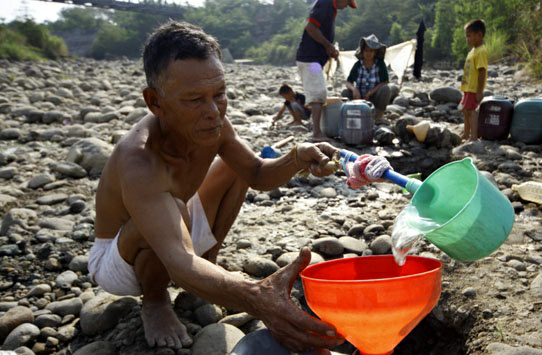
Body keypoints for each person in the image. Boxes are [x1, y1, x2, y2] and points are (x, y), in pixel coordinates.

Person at [88, 21, 344, 353]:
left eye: (219, 94)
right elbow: (178, 259)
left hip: (175, 232)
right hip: (120, 259)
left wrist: (296, 157)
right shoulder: (139, 160)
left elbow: (255, 172)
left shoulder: (214, 124)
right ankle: (154, 301)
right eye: (194, 99)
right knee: (175, 212)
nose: (213, 112)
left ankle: (209, 265)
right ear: (155, 102)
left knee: (231, 169)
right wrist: (256, 297)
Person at [295, 0, 358, 142]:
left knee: (320, 92)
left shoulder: (330, 7)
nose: (347, 6)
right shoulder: (325, 3)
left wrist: (328, 49)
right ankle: (316, 133)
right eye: (347, 3)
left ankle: (319, 129)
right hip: (310, 59)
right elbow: (310, 27)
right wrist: (328, 46)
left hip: (314, 60)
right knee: (318, 93)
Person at [342, 34, 393, 123]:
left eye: (371, 51)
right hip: (358, 99)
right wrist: (354, 90)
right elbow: (348, 82)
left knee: (386, 89)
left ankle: (378, 117)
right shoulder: (358, 65)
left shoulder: (380, 65)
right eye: (366, 51)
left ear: (375, 52)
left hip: (373, 98)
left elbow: (384, 82)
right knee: (345, 92)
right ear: (362, 52)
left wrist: (370, 93)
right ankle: (350, 115)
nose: (368, 53)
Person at [459, 19, 488, 141]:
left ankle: (474, 136)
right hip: (467, 87)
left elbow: (482, 71)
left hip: (473, 88)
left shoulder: (481, 51)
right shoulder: (472, 51)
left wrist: (479, 91)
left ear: (479, 35)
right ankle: (466, 133)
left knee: (471, 111)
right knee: (465, 110)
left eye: (469, 36)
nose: (467, 39)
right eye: (466, 36)